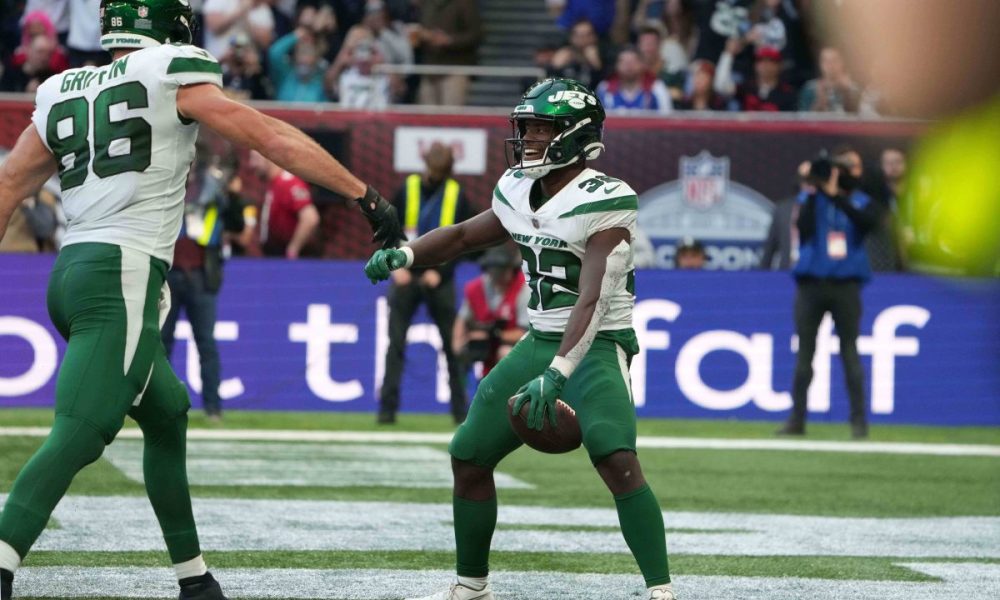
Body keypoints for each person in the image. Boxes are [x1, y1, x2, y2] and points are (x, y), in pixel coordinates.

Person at [0, 1, 403, 598]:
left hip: (72, 272)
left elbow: (10, 183)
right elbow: (267, 135)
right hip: (122, 273)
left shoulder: (64, 86)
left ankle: (195, 580)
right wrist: (362, 192)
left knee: (167, 415)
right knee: (82, 430)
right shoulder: (169, 67)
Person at [364, 78, 676, 600]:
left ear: (578, 136)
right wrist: (408, 254)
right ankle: (471, 585)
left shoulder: (606, 199)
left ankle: (661, 590)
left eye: (542, 129)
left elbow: (592, 300)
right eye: (526, 127)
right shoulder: (517, 187)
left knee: (615, 458)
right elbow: (464, 235)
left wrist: (558, 373)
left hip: (597, 343)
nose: (528, 138)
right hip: (539, 338)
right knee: (468, 454)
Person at [776, 153, 879, 440]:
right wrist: (815, 190)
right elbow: (804, 230)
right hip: (811, 285)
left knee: (849, 352)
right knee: (805, 354)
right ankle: (797, 420)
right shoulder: (809, 200)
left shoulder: (859, 201)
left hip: (846, 285)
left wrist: (836, 197)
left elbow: (868, 224)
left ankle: (859, 421)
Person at [378, 142, 473, 425]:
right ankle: (387, 411)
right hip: (406, 276)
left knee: (452, 346)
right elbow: (388, 228)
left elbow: (466, 241)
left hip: (439, 280)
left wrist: (441, 273)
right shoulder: (407, 188)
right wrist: (395, 266)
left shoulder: (457, 195)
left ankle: (460, 411)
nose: (434, 176)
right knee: (395, 344)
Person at [161, 150, 248, 422]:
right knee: (161, 344)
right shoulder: (163, 184)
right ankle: (156, 405)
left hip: (201, 275)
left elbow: (237, 224)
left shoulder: (214, 190)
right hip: (169, 275)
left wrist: (233, 196)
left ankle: (213, 407)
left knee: (206, 344)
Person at [453, 246, 529, 378]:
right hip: (487, 350)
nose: (498, 275)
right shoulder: (476, 288)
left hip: (517, 350)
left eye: (502, 270)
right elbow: (462, 318)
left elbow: (526, 334)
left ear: (512, 269)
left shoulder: (524, 289)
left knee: (505, 353)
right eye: (494, 270)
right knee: (465, 354)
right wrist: (457, 344)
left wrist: (493, 335)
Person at [249, 150, 321, 258]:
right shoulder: (274, 184)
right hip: (274, 256)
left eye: (256, 158)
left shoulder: (288, 183)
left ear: (268, 157)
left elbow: (310, 218)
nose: (251, 164)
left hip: (290, 261)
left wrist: (292, 250)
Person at [413, 0, 482, 106]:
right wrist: (422, 35)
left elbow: (476, 35)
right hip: (430, 68)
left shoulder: (465, 3)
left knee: (451, 113)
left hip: (455, 68)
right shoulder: (427, 3)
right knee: (426, 112)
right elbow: (421, 26)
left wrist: (449, 40)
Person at [760, 160, 811, 270]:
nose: (809, 182)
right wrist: (761, 276)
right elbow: (770, 248)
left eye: (813, 178)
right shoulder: (783, 209)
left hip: (817, 275)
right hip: (787, 271)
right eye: (805, 178)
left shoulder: (829, 209)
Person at [596, 46, 673, 113]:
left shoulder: (656, 87)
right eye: (624, 62)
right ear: (616, 65)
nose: (628, 66)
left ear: (642, 64)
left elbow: (667, 118)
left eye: (633, 61)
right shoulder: (604, 88)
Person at [798, 47, 860, 113]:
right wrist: (820, 100)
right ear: (820, 64)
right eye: (826, 61)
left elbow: (858, 115)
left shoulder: (853, 88)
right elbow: (804, 117)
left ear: (842, 62)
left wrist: (846, 92)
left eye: (834, 61)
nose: (830, 65)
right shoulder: (810, 89)